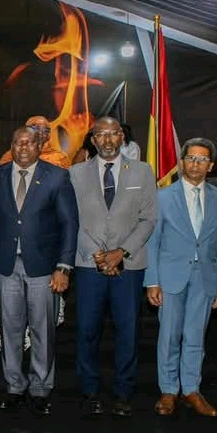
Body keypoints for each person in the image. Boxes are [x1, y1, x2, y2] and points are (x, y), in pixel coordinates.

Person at [68, 117, 157, 417]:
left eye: (113, 134)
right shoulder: (76, 173)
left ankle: (123, 392)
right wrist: (97, 254)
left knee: (127, 331)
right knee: (87, 330)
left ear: (122, 138)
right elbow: (71, 219)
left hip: (129, 265)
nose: (107, 140)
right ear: (92, 140)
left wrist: (121, 252)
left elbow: (148, 218)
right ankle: (89, 390)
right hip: (88, 263)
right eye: (101, 135)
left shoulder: (143, 171)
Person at [0, 127, 77, 416]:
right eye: (18, 142)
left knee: (43, 330)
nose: (23, 147)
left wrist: (63, 267)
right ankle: (14, 386)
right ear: (11, 146)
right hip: (6, 266)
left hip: (44, 268)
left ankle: (40, 388)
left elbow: (69, 224)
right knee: (10, 330)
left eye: (29, 142)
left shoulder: (57, 176)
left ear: (40, 146)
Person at [145, 138, 217, 417]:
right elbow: (153, 242)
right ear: (182, 162)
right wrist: (152, 280)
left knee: (195, 336)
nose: (195, 164)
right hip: (170, 277)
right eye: (191, 158)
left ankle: (191, 389)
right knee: (169, 336)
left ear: (211, 166)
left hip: (205, 278)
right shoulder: (162, 197)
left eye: (202, 159)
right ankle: (169, 390)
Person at [0, 116, 71, 169]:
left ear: (49, 135)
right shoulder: (11, 156)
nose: (41, 132)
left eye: (45, 130)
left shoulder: (59, 158)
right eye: (36, 127)